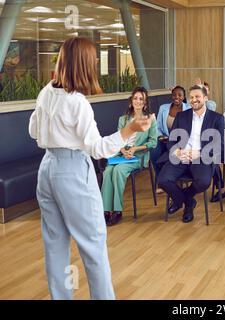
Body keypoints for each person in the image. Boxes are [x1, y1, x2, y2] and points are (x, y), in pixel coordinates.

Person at [28, 37, 152, 299]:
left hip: (47, 169)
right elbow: (98, 149)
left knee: (55, 246)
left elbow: (33, 131)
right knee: (93, 245)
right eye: (93, 59)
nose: (96, 62)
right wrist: (131, 128)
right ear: (83, 63)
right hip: (73, 171)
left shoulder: (46, 91)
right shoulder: (77, 102)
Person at [158, 85, 225, 223]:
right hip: (181, 156)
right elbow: (171, 140)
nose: (194, 100)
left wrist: (199, 153)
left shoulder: (217, 118)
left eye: (197, 97)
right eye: (191, 97)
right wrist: (176, 151)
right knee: (163, 180)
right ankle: (188, 203)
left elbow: (219, 145)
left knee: (204, 181)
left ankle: (182, 200)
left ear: (205, 98)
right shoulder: (181, 116)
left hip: (201, 158)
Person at [101, 87, 158, 226]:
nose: (138, 101)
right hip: (121, 154)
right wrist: (122, 149)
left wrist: (135, 148)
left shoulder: (149, 119)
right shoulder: (123, 119)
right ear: (131, 101)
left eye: (141, 99)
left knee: (119, 170)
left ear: (145, 103)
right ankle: (105, 210)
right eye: (135, 98)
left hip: (138, 156)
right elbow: (118, 139)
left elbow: (153, 142)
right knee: (108, 171)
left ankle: (117, 211)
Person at [150, 86, 190, 193]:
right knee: (154, 148)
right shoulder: (163, 108)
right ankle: (160, 180)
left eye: (179, 95)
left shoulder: (189, 108)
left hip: (181, 142)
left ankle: (172, 178)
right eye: (174, 95)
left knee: (173, 151)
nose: (177, 97)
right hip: (165, 139)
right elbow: (157, 127)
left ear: (184, 97)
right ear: (171, 96)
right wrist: (160, 136)